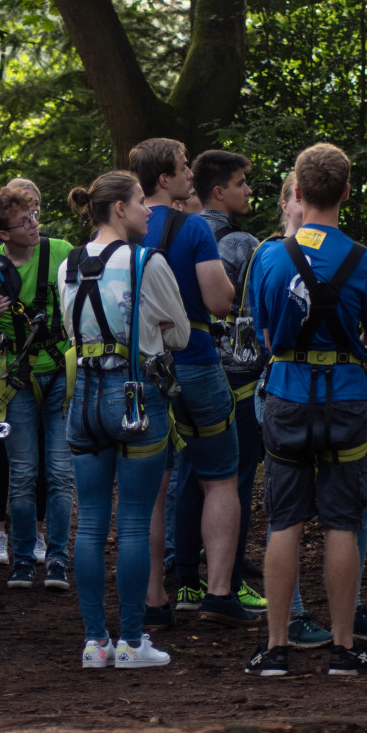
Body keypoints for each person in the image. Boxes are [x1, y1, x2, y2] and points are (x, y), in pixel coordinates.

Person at [245, 143, 367, 677]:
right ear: (347, 193)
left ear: (298, 193)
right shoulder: (363, 259)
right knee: (342, 524)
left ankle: (276, 649)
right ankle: (344, 649)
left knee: (284, 521)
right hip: (346, 400)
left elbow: (263, 332)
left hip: (286, 394)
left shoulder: (269, 255)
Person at [61, 171, 188, 668]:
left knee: (89, 525)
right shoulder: (146, 261)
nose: (149, 209)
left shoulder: (68, 263)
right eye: (141, 201)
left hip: (84, 399)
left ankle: (95, 643)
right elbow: (177, 334)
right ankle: (134, 642)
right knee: (134, 523)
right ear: (118, 208)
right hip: (136, 398)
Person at [130, 138, 256, 628]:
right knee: (219, 476)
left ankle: (155, 597)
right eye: (183, 168)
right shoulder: (195, 228)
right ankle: (218, 592)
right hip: (197, 359)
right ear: (164, 179)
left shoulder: (124, 228)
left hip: (142, 366)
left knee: (153, 487)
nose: (190, 176)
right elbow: (220, 301)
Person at [0, 187, 73, 590]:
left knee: (60, 472)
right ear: (2, 233)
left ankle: (57, 558)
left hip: (61, 372)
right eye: (23, 221)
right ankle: (23, 558)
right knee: (23, 473)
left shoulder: (61, 251)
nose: (33, 225)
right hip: (17, 380)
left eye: (34, 216)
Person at [181, 149, 266, 615]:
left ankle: (184, 579)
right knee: (235, 480)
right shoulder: (242, 244)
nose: (249, 190)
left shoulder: (177, 233)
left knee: (191, 478)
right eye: (241, 183)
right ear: (219, 191)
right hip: (237, 376)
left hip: (185, 368)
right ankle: (228, 581)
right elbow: (256, 314)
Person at [0, 178, 50, 569]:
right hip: (2, 366)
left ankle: (37, 533)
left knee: (39, 451)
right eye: (27, 212)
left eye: (36, 209)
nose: (34, 218)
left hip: (46, 366)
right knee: (1, 448)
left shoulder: (50, 251)